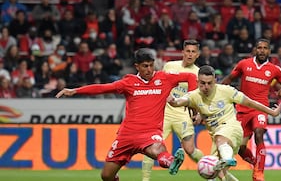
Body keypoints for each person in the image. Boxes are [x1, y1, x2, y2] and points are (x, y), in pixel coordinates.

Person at [56, 48, 197, 181]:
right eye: (145, 66)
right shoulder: (129, 82)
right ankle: (166, 161)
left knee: (158, 150)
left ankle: (171, 161)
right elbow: (103, 88)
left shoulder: (164, 78)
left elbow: (191, 77)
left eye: (151, 65)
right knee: (106, 176)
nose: (149, 70)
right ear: (137, 66)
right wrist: (75, 91)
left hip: (150, 133)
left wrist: (191, 101)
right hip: (127, 135)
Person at [168, 65, 281, 181]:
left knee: (220, 139)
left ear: (215, 81)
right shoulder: (195, 96)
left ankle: (227, 159)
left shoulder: (226, 91)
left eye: (209, 83)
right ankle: (224, 163)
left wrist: (271, 112)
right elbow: (178, 101)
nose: (206, 87)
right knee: (215, 174)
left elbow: (251, 103)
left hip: (232, 130)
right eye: (202, 83)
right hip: (218, 140)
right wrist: (172, 100)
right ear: (197, 82)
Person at [221, 38, 281, 181]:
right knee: (240, 147)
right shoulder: (244, 64)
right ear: (255, 50)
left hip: (261, 109)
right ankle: (255, 161)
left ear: (269, 51)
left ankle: (259, 172)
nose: (262, 50)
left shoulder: (274, 69)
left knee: (259, 134)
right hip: (243, 109)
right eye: (259, 48)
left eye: (265, 48)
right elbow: (229, 79)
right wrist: (220, 91)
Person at [142, 39, 204, 181]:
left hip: (183, 115)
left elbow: (200, 96)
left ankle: (211, 170)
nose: (190, 54)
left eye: (193, 52)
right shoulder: (170, 65)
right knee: (152, 146)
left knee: (190, 150)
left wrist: (199, 113)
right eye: (187, 51)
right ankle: (145, 180)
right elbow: (159, 82)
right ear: (182, 52)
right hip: (163, 114)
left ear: (197, 55)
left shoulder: (198, 73)